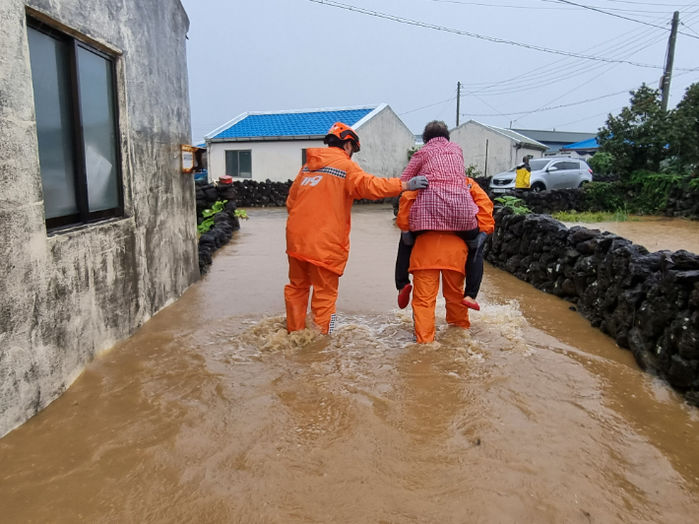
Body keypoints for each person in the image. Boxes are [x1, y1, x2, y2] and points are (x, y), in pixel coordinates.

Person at [285, 122, 429, 335]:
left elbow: (291, 203)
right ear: (348, 145)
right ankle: (324, 339)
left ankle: (294, 333)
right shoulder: (345, 166)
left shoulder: (307, 167)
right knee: (325, 296)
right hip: (325, 244)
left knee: (297, 288)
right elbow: (370, 186)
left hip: (296, 241)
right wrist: (405, 185)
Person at [394, 120, 485, 311]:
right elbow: (486, 208)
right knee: (476, 248)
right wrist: (482, 235)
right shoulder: (458, 154)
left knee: (405, 242)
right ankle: (471, 294)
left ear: (426, 139)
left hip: (427, 221)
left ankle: (402, 283)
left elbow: (403, 184)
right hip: (462, 217)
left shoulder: (422, 154)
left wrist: (406, 232)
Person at [395, 195, 472, 343]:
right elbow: (484, 206)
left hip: (425, 251)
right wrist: (482, 231)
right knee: (456, 296)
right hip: (456, 252)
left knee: (424, 301)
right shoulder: (466, 184)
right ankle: (460, 336)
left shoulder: (423, 183)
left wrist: (404, 227)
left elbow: (406, 202)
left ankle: (424, 343)